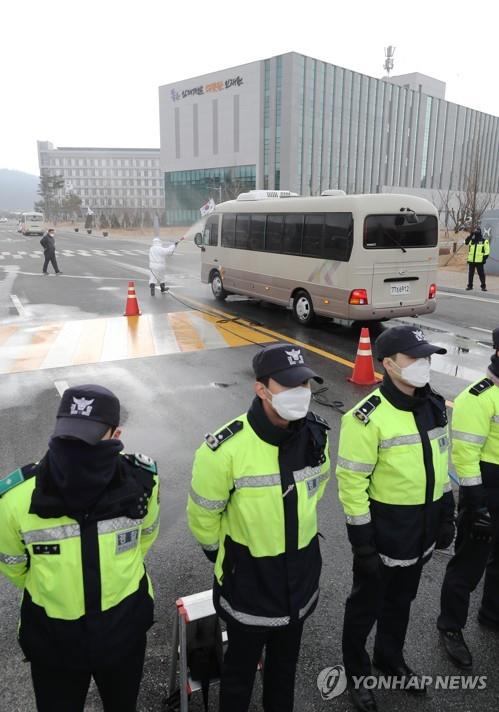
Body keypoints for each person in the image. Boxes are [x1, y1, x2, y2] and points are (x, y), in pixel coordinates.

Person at [187, 343, 331, 712]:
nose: (301, 395)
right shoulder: (224, 450)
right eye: (289, 387)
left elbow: (318, 488)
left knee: (284, 671)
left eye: (305, 385)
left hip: (299, 579)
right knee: (238, 676)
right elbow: (204, 518)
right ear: (261, 389)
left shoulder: (316, 436)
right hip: (248, 585)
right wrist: (226, 556)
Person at [0, 384, 160, 712]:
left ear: (117, 434)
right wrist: (57, 587)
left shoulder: (142, 484)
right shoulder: (17, 498)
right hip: (54, 642)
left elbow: (144, 539)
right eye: (68, 437)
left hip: (123, 634)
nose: (75, 447)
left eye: (88, 438)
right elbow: (13, 564)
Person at [336, 325, 454, 712]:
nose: (424, 365)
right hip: (384, 533)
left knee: (402, 601)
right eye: (414, 358)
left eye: (427, 358)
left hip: (421, 529)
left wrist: (446, 512)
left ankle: (389, 657)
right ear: (388, 364)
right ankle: (356, 673)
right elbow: (351, 483)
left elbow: (441, 461)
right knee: (365, 606)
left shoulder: (433, 405)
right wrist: (362, 543)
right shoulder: (366, 418)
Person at [437, 326, 499, 668]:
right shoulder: (478, 396)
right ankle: (450, 625)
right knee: (469, 563)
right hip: (486, 489)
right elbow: (465, 455)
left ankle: (491, 614)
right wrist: (477, 505)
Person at [465, 226, 490, 291]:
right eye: (475, 231)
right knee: (470, 274)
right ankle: (470, 286)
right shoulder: (472, 240)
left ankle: (483, 286)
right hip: (471, 260)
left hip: (479, 261)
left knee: (481, 274)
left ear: (480, 232)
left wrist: (484, 259)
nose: (476, 232)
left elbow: (487, 251)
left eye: (477, 231)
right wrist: (471, 235)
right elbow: (466, 242)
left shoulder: (484, 241)